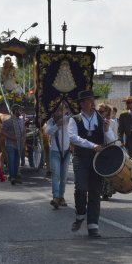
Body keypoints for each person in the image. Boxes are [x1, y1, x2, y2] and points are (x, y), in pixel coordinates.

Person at [68, 90, 115, 238]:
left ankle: (93, 225)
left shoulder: (101, 119)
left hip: (97, 159)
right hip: (81, 158)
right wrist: (91, 145)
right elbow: (73, 138)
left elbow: (110, 140)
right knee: (81, 188)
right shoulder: (74, 120)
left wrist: (107, 130)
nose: (92, 103)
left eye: (92, 100)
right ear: (81, 104)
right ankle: (80, 213)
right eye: (88, 100)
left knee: (95, 191)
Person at [46, 104, 71, 208]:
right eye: (56, 111)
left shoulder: (66, 119)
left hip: (66, 152)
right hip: (55, 152)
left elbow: (74, 115)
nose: (58, 113)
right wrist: (57, 125)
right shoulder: (50, 122)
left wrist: (70, 107)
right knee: (55, 175)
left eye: (60, 111)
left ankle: (61, 196)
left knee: (64, 177)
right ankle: (55, 197)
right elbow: (48, 131)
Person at [1, 104, 25, 185]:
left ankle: (15, 176)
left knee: (17, 161)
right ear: (15, 111)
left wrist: (23, 138)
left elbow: (24, 131)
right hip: (10, 144)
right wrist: (11, 137)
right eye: (19, 110)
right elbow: (3, 131)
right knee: (11, 160)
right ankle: (12, 177)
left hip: (19, 145)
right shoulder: (7, 122)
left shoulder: (22, 121)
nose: (21, 112)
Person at [98, 104, 116, 201]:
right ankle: (98, 191)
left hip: (108, 148)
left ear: (106, 112)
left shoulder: (112, 122)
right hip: (98, 148)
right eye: (98, 111)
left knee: (107, 172)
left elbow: (114, 137)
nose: (99, 114)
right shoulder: (96, 121)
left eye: (101, 112)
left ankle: (106, 192)